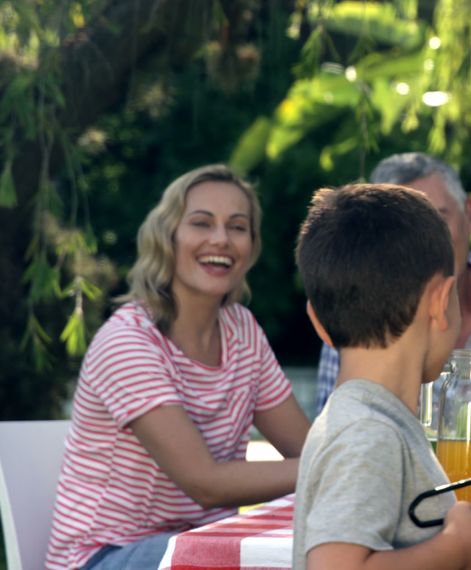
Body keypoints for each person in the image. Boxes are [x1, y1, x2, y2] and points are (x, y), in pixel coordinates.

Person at [45, 165, 311, 570]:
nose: (220, 238)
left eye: (237, 227)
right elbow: (204, 482)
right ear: (167, 237)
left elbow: (304, 448)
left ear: (251, 246)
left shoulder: (243, 332)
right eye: (202, 223)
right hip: (104, 557)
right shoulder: (129, 342)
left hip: (202, 551)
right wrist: (333, 463)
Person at [292, 183, 471, 569]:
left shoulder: (374, 422)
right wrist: (458, 550)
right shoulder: (367, 433)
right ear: (442, 302)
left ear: (318, 323)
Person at [314, 152, 471, 424]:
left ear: (470, 215)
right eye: (405, 231)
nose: (427, 245)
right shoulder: (354, 317)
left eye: (439, 219)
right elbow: (338, 433)